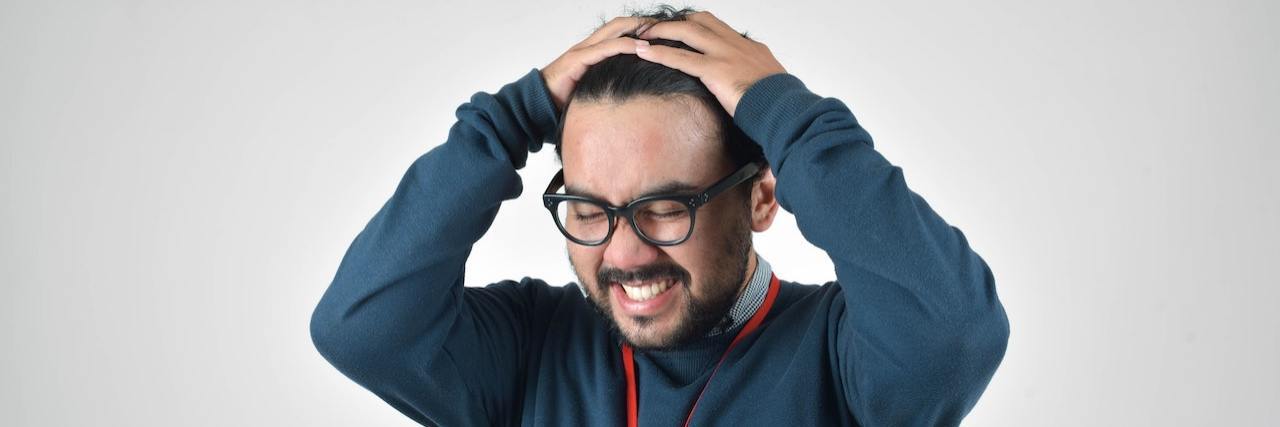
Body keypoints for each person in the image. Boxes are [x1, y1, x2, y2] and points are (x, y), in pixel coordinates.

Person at [310, 6, 1010, 426]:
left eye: (665, 208)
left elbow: (953, 334)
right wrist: (508, 120)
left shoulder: (840, 354)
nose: (624, 253)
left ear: (761, 196)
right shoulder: (527, 350)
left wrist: (790, 119)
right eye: (588, 209)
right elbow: (361, 326)